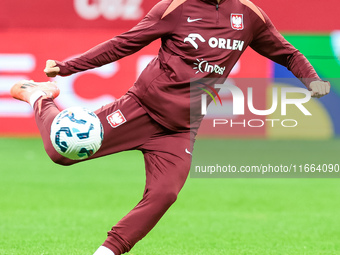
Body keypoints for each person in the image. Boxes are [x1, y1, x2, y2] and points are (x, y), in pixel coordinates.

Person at [10, 0, 330, 254]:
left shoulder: (250, 16)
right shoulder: (174, 8)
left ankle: (106, 252)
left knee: (164, 194)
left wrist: (312, 80)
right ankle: (40, 98)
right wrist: (67, 67)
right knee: (61, 153)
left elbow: (288, 53)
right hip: (140, 109)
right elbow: (124, 44)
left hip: (179, 130)